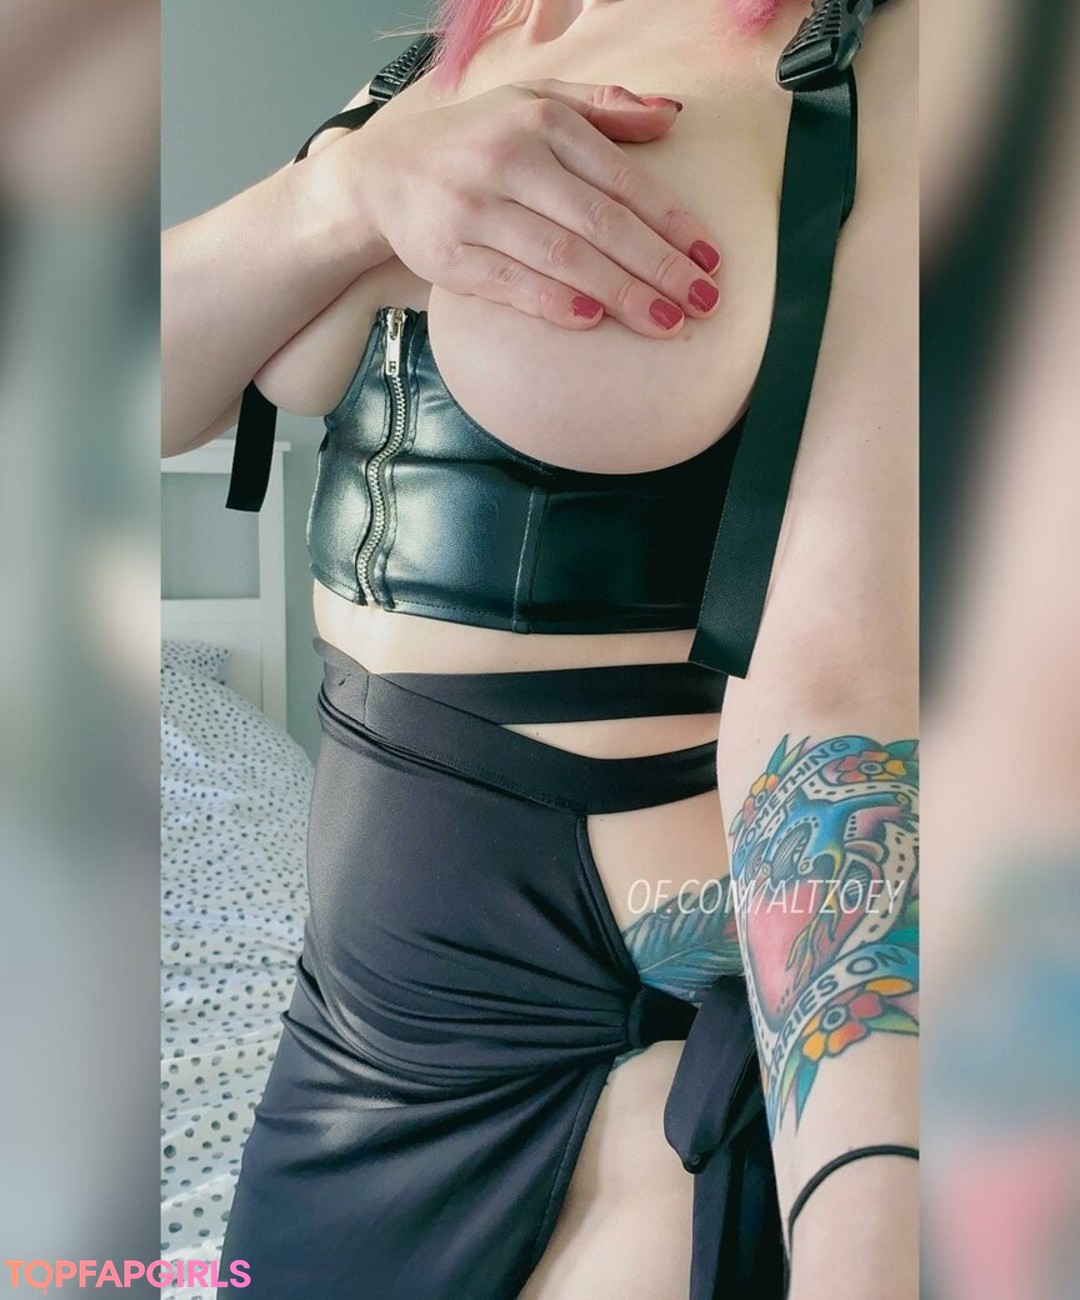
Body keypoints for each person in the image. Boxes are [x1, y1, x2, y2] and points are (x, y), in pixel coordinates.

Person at [162, 0, 918, 1296]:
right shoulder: (443, 59)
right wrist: (346, 192)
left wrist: (870, 1225)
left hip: (616, 1067)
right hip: (346, 1044)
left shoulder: (903, 55)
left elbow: (843, 689)